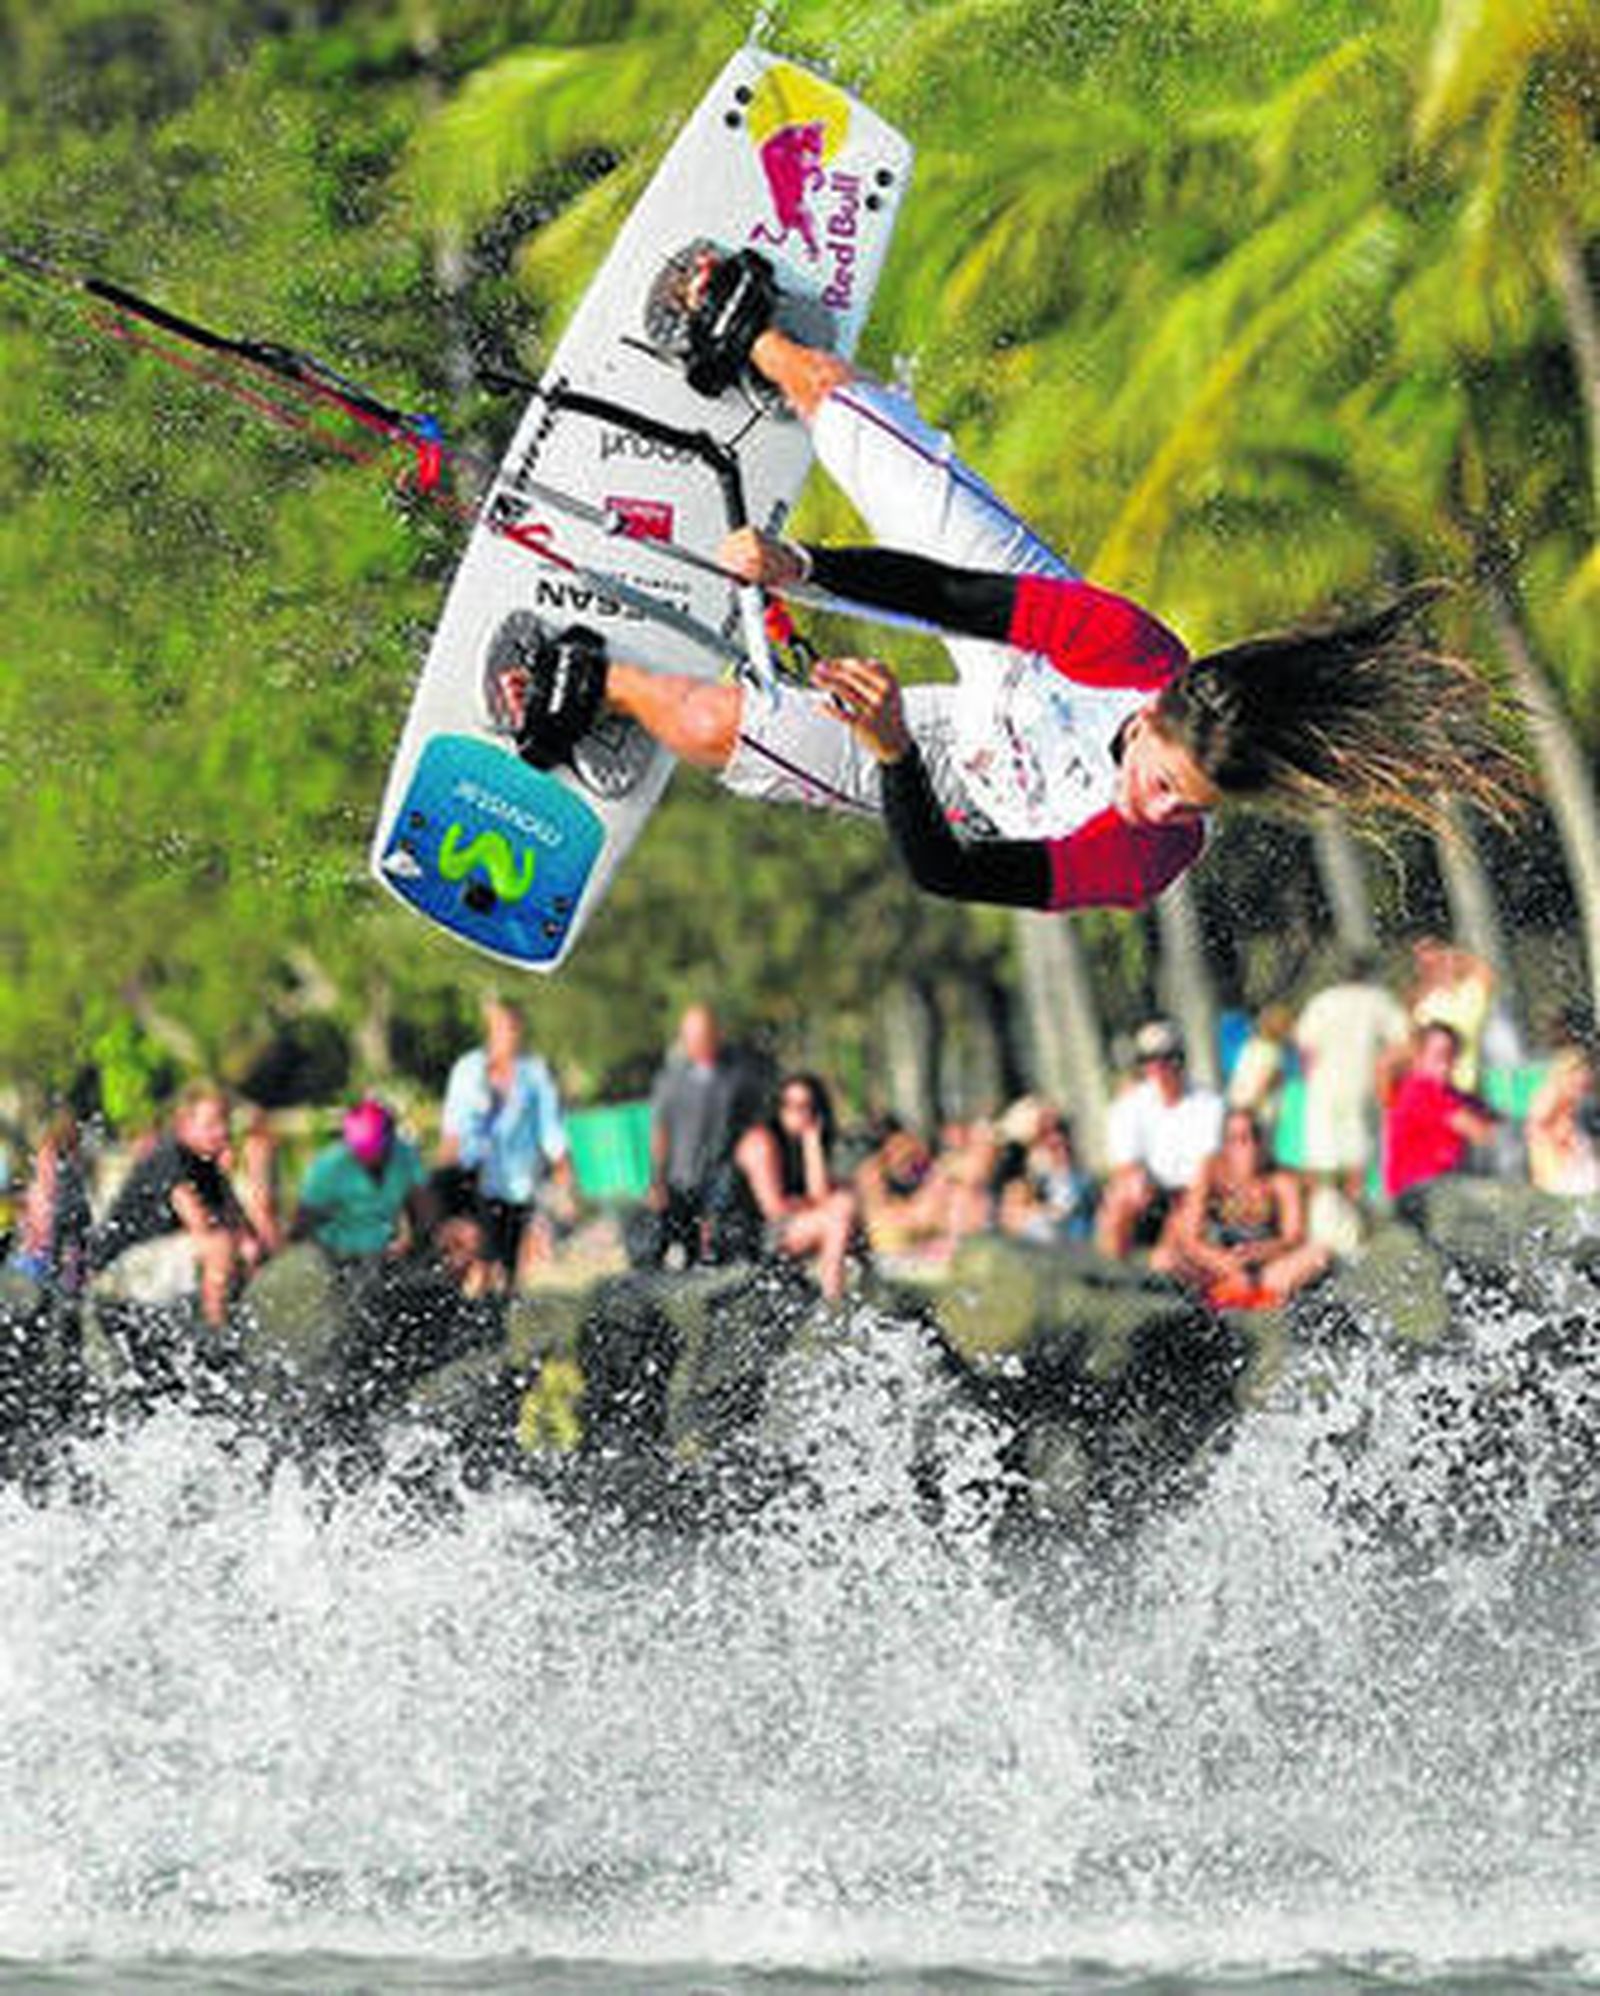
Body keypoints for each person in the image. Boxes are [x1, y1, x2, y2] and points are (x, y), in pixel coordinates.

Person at [491, 257, 1525, 913]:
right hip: (1013, 641)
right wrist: (804, 567)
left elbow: (949, 872)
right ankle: (758, 339)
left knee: (715, 723)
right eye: (1165, 781)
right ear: (1152, 715)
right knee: (860, 429)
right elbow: (957, 600)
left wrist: (894, 748)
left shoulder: (1143, 859)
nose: (1156, 805)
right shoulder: (1131, 652)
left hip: (964, 782)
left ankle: (602, 688)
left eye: (1184, 805)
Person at [86, 1081, 260, 1329]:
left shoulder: (206, 1163)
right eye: (211, 1123)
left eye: (225, 1121)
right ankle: (218, 1334)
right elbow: (200, 1224)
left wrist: (246, 1238)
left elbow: (241, 1224)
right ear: (184, 1124)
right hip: (119, 1274)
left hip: (153, 1266)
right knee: (220, 1246)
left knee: (246, 1247)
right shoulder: (170, 1156)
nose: (222, 1131)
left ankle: (222, 1324)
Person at [439, 997, 573, 1286]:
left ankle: (503, 1304)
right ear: (490, 1028)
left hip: (517, 1179)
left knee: (509, 1260)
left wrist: (563, 1167)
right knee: (479, 1253)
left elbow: (550, 1126)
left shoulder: (534, 1072)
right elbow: (452, 1126)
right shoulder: (468, 1069)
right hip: (472, 1175)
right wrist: (444, 1177)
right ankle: (473, 1305)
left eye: (513, 1027)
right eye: (501, 1027)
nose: (508, 1034)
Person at [1152, 1108, 1331, 1310]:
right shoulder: (1211, 1170)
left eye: (1255, 1136)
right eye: (1239, 1139)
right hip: (1217, 1263)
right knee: (1164, 1258)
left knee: (1319, 1255)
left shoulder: (1281, 1179)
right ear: (1226, 1146)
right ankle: (1238, 1291)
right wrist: (1224, 1263)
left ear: (1264, 1142)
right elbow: (1191, 1237)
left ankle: (1247, 1292)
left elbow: (1293, 1237)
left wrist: (1259, 1252)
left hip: (1264, 1267)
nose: (1249, 1145)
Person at [726, 1073, 862, 1302]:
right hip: (749, 1234)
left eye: (806, 1106)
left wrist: (812, 1142)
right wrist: (817, 1204)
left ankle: (855, 1294)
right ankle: (833, 1303)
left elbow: (819, 1195)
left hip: (790, 1228)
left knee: (845, 1205)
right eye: (788, 1104)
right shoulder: (760, 1141)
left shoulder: (805, 1143)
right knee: (838, 1215)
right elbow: (774, 1209)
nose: (797, 1113)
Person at [1095, 1020, 1224, 1258]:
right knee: (1120, 1198)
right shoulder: (1126, 1107)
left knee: (1185, 1221)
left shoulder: (1210, 1104)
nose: (1159, 1066)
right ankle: (1110, 1267)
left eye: (1167, 1057)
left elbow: (1208, 1170)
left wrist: (1186, 1211)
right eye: (1149, 1059)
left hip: (1196, 1194)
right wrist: (1139, 1184)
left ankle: (1167, 1258)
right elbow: (1125, 1167)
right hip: (1151, 1195)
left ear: (1181, 1059)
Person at [1294, 948, 1411, 1210]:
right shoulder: (1380, 1000)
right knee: (1358, 1157)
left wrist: (1311, 1081)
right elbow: (1404, 1044)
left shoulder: (1322, 1001)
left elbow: (1306, 1051)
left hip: (1323, 1089)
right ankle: (1356, 1214)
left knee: (1324, 1158)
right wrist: (1385, 1069)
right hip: (1362, 1086)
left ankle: (1328, 1217)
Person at [645, 1002, 755, 1267]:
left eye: (705, 1035)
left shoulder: (738, 1077)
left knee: (721, 1239)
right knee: (678, 1246)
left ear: (717, 1035)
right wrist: (657, 1178)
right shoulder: (670, 1081)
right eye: (692, 1037)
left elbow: (751, 1126)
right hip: (681, 1178)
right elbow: (660, 1132)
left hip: (723, 1177)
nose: (699, 1043)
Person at [1382, 1022, 1500, 1222]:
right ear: (1418, 1058)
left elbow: (1490, 1118)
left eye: (1452, 1055)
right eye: (1439, 1054)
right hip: (1420, 1200)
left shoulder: (1448, 1093)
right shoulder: (1420, 1090)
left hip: (1439, 1194)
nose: (1447, 1063)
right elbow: (1480, 1133)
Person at [293, 1098, 431, 1263]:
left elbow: (424, 1207)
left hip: (387, 1250)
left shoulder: (405, 1156)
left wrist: (412, 1242)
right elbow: (304, 1224)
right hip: (336, 1253)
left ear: (389, 1140)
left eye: (375, 1150)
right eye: (361, 1152)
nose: (368, 1159)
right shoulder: (327, 1166)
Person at [1524, 1048, 1600, 1198]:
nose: (1586, 1078)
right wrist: (1562, 1140)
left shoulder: (1570, 1098)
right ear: (1567, 1074)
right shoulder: (1551, 1092)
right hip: (1558, 1174)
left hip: (1566, 1170)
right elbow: (1534, 1127)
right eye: (1581, 1073)